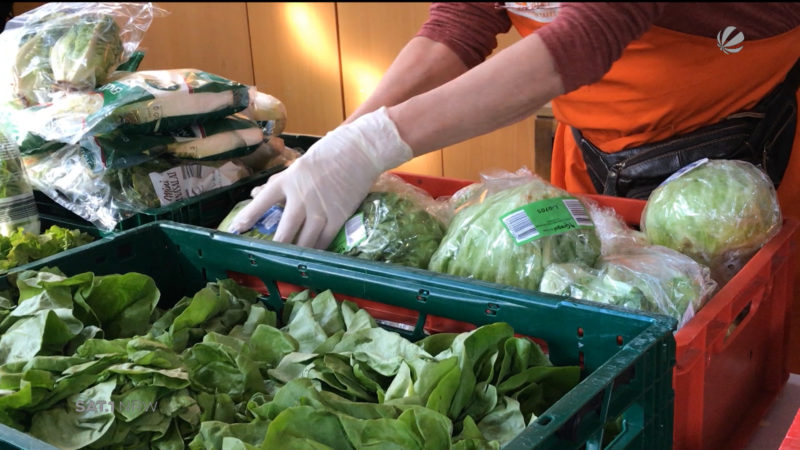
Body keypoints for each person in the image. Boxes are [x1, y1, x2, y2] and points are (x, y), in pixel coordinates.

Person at [229, 3, 800, 363]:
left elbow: (589, 34)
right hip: (596, 141)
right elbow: (462, 21)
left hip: (733, 142)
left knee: (729, 346)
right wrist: (344, 143)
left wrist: (377, 142)